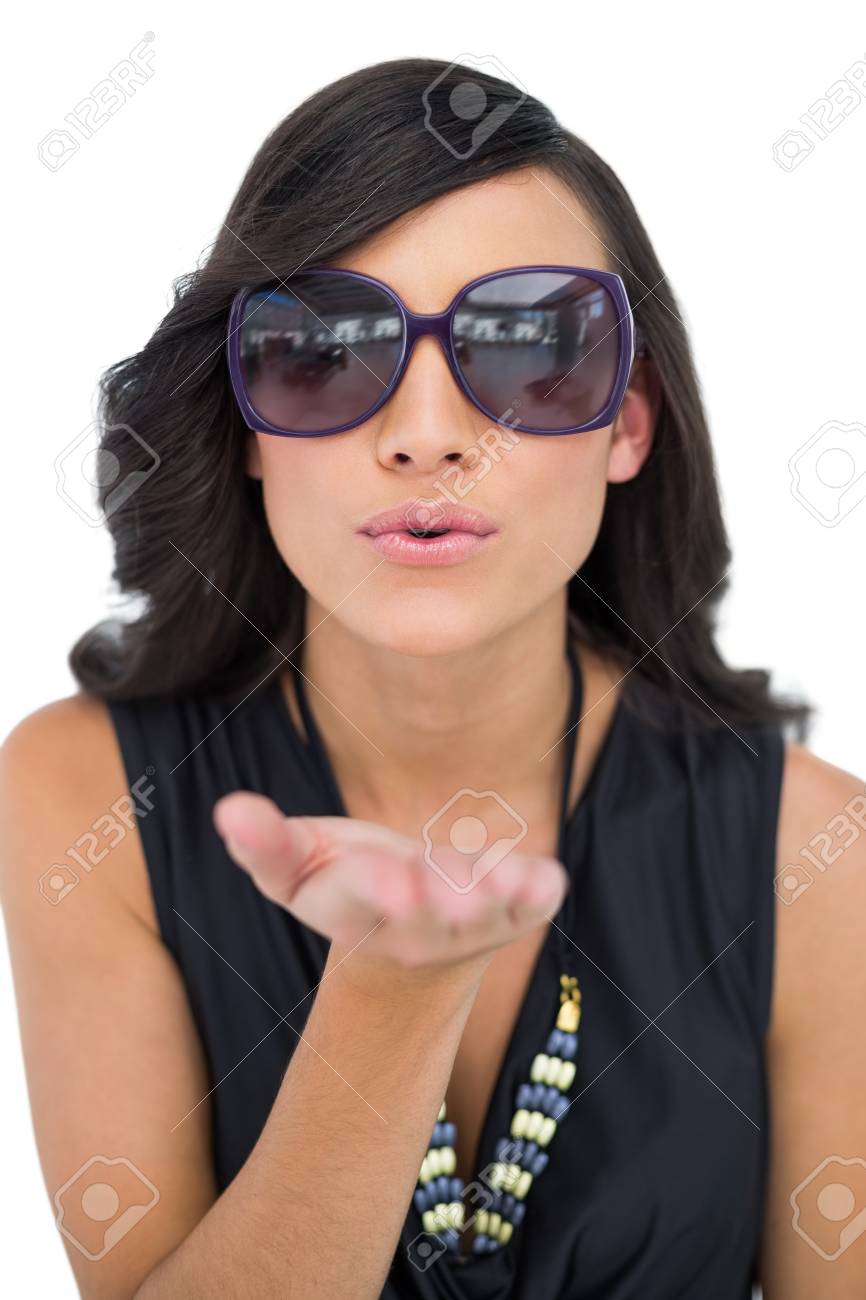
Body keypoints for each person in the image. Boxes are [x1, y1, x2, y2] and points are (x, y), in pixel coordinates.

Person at [2, 56, 865, 1300]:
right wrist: (390, 996)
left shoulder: (816, 854)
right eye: (323, 350)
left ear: (627, 423)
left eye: (524, 348)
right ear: (245, 424)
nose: (424, 436)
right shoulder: (83, 794)